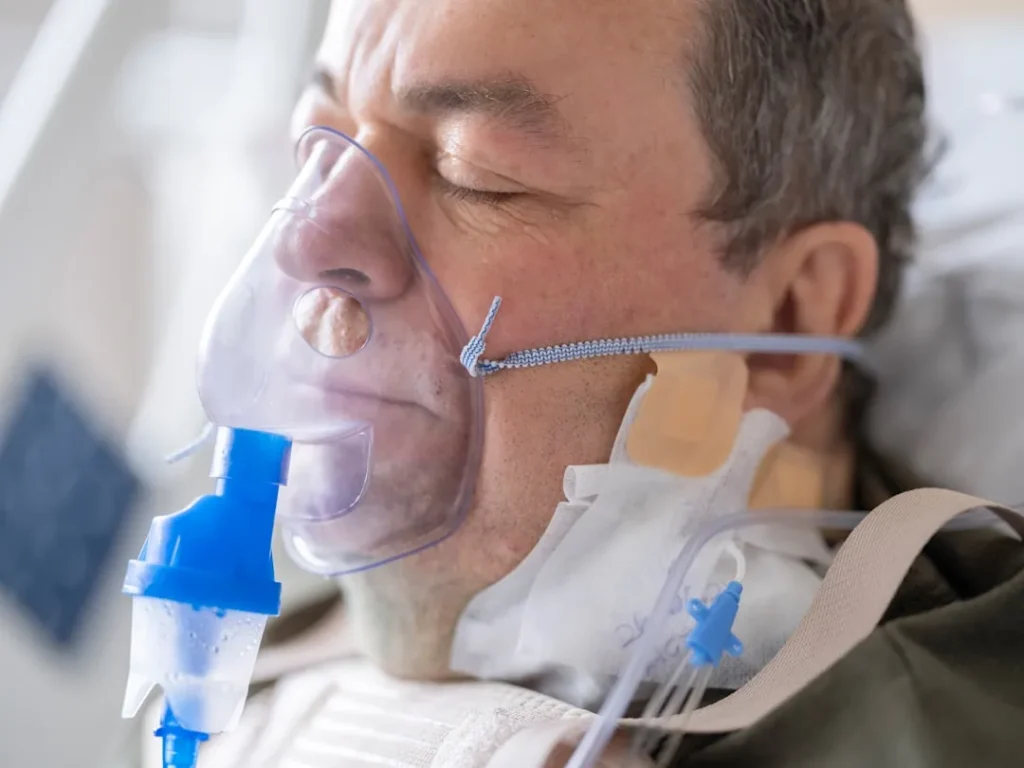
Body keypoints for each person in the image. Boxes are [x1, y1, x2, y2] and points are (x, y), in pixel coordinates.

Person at [143, 0, 1024, 765]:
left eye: (473, 173)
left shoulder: (926, 734)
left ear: (787, 325)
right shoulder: (241, 675)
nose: (309, 241)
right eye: (319, 141)